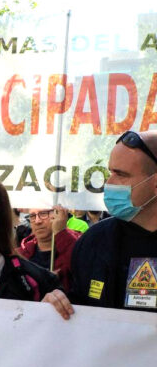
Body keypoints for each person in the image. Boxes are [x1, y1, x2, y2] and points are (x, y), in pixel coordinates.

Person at [44, 130, 157, 318]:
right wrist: (56, 303)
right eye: (110, 172)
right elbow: (79, 308)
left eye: (121, 174)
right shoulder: (93, 242)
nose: (108, 183)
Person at [16, 206, 80, 292]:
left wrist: (61, 233)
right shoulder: (20, 254)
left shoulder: (77, 243)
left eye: (43, 214)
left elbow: (81, 269)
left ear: (58, 214)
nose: (37, 221)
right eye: (32, 216)